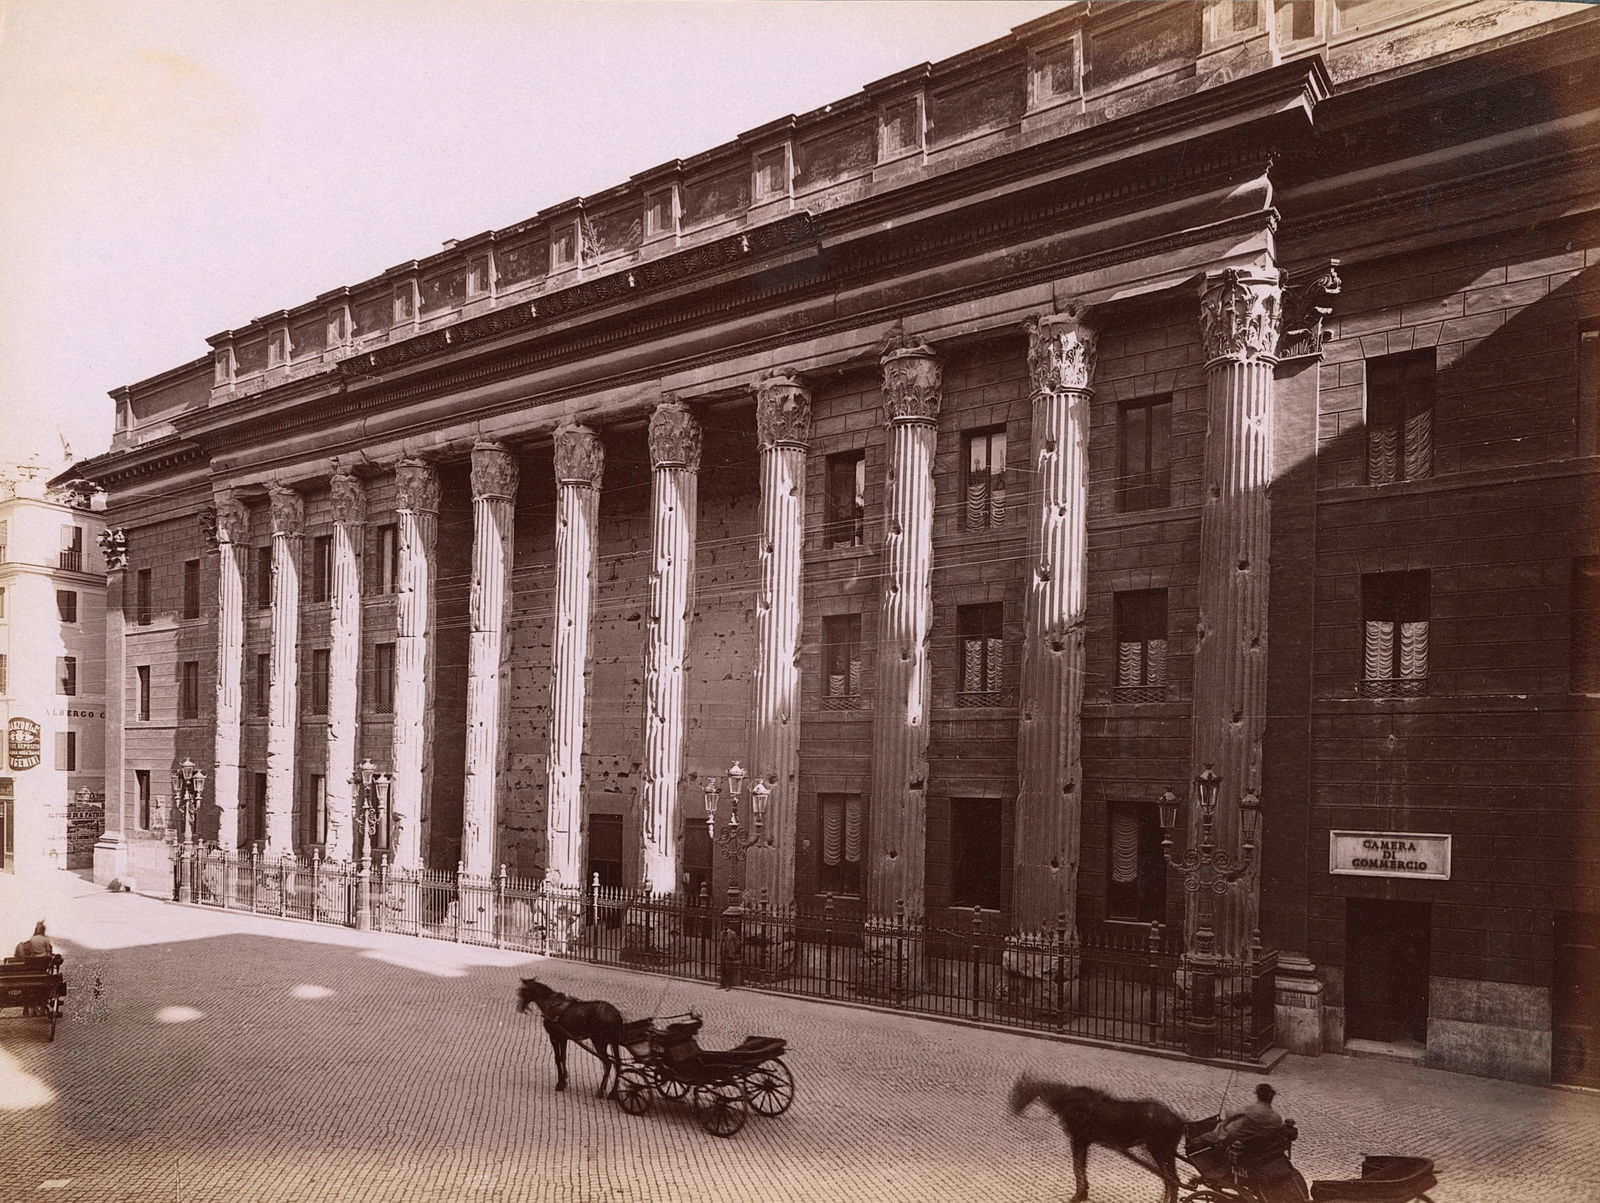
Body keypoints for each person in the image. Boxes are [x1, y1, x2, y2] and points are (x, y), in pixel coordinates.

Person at [1208, 1083, 1285, 1147]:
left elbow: (1229, 1113)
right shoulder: (1277, 1118)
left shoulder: (1249, 1108)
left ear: (1257, 1095)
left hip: (1238, 1140)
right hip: (1257, 1144)